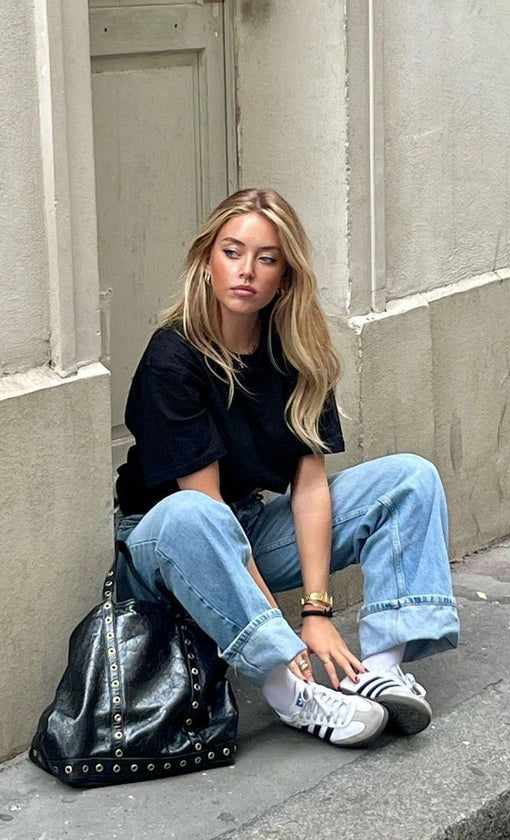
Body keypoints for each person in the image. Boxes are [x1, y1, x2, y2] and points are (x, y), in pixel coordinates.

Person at [115, 187, 459, 748]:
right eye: (231, 252)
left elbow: (310, 488)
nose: (245, 270)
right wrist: (280, 629)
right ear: (207, 262)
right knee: (196, 513)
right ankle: (292, 694)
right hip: (166, 547)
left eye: (266, 258)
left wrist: (316, 611)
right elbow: (207, 508)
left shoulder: (295, 352)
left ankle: (378, 671)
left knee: (410, 479)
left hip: (246, 527)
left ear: (285, 276)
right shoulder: (171, 357)